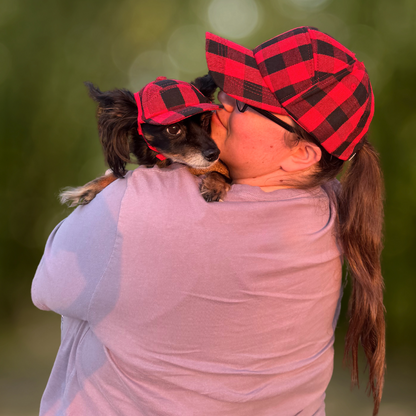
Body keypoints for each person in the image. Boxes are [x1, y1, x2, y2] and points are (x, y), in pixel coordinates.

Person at [32, 26, 385, 416]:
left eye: (246, 104)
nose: (220, 106)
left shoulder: (140, 206)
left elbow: (50, 285)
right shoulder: (335, 211)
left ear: (302, 155)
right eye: (229, 91)